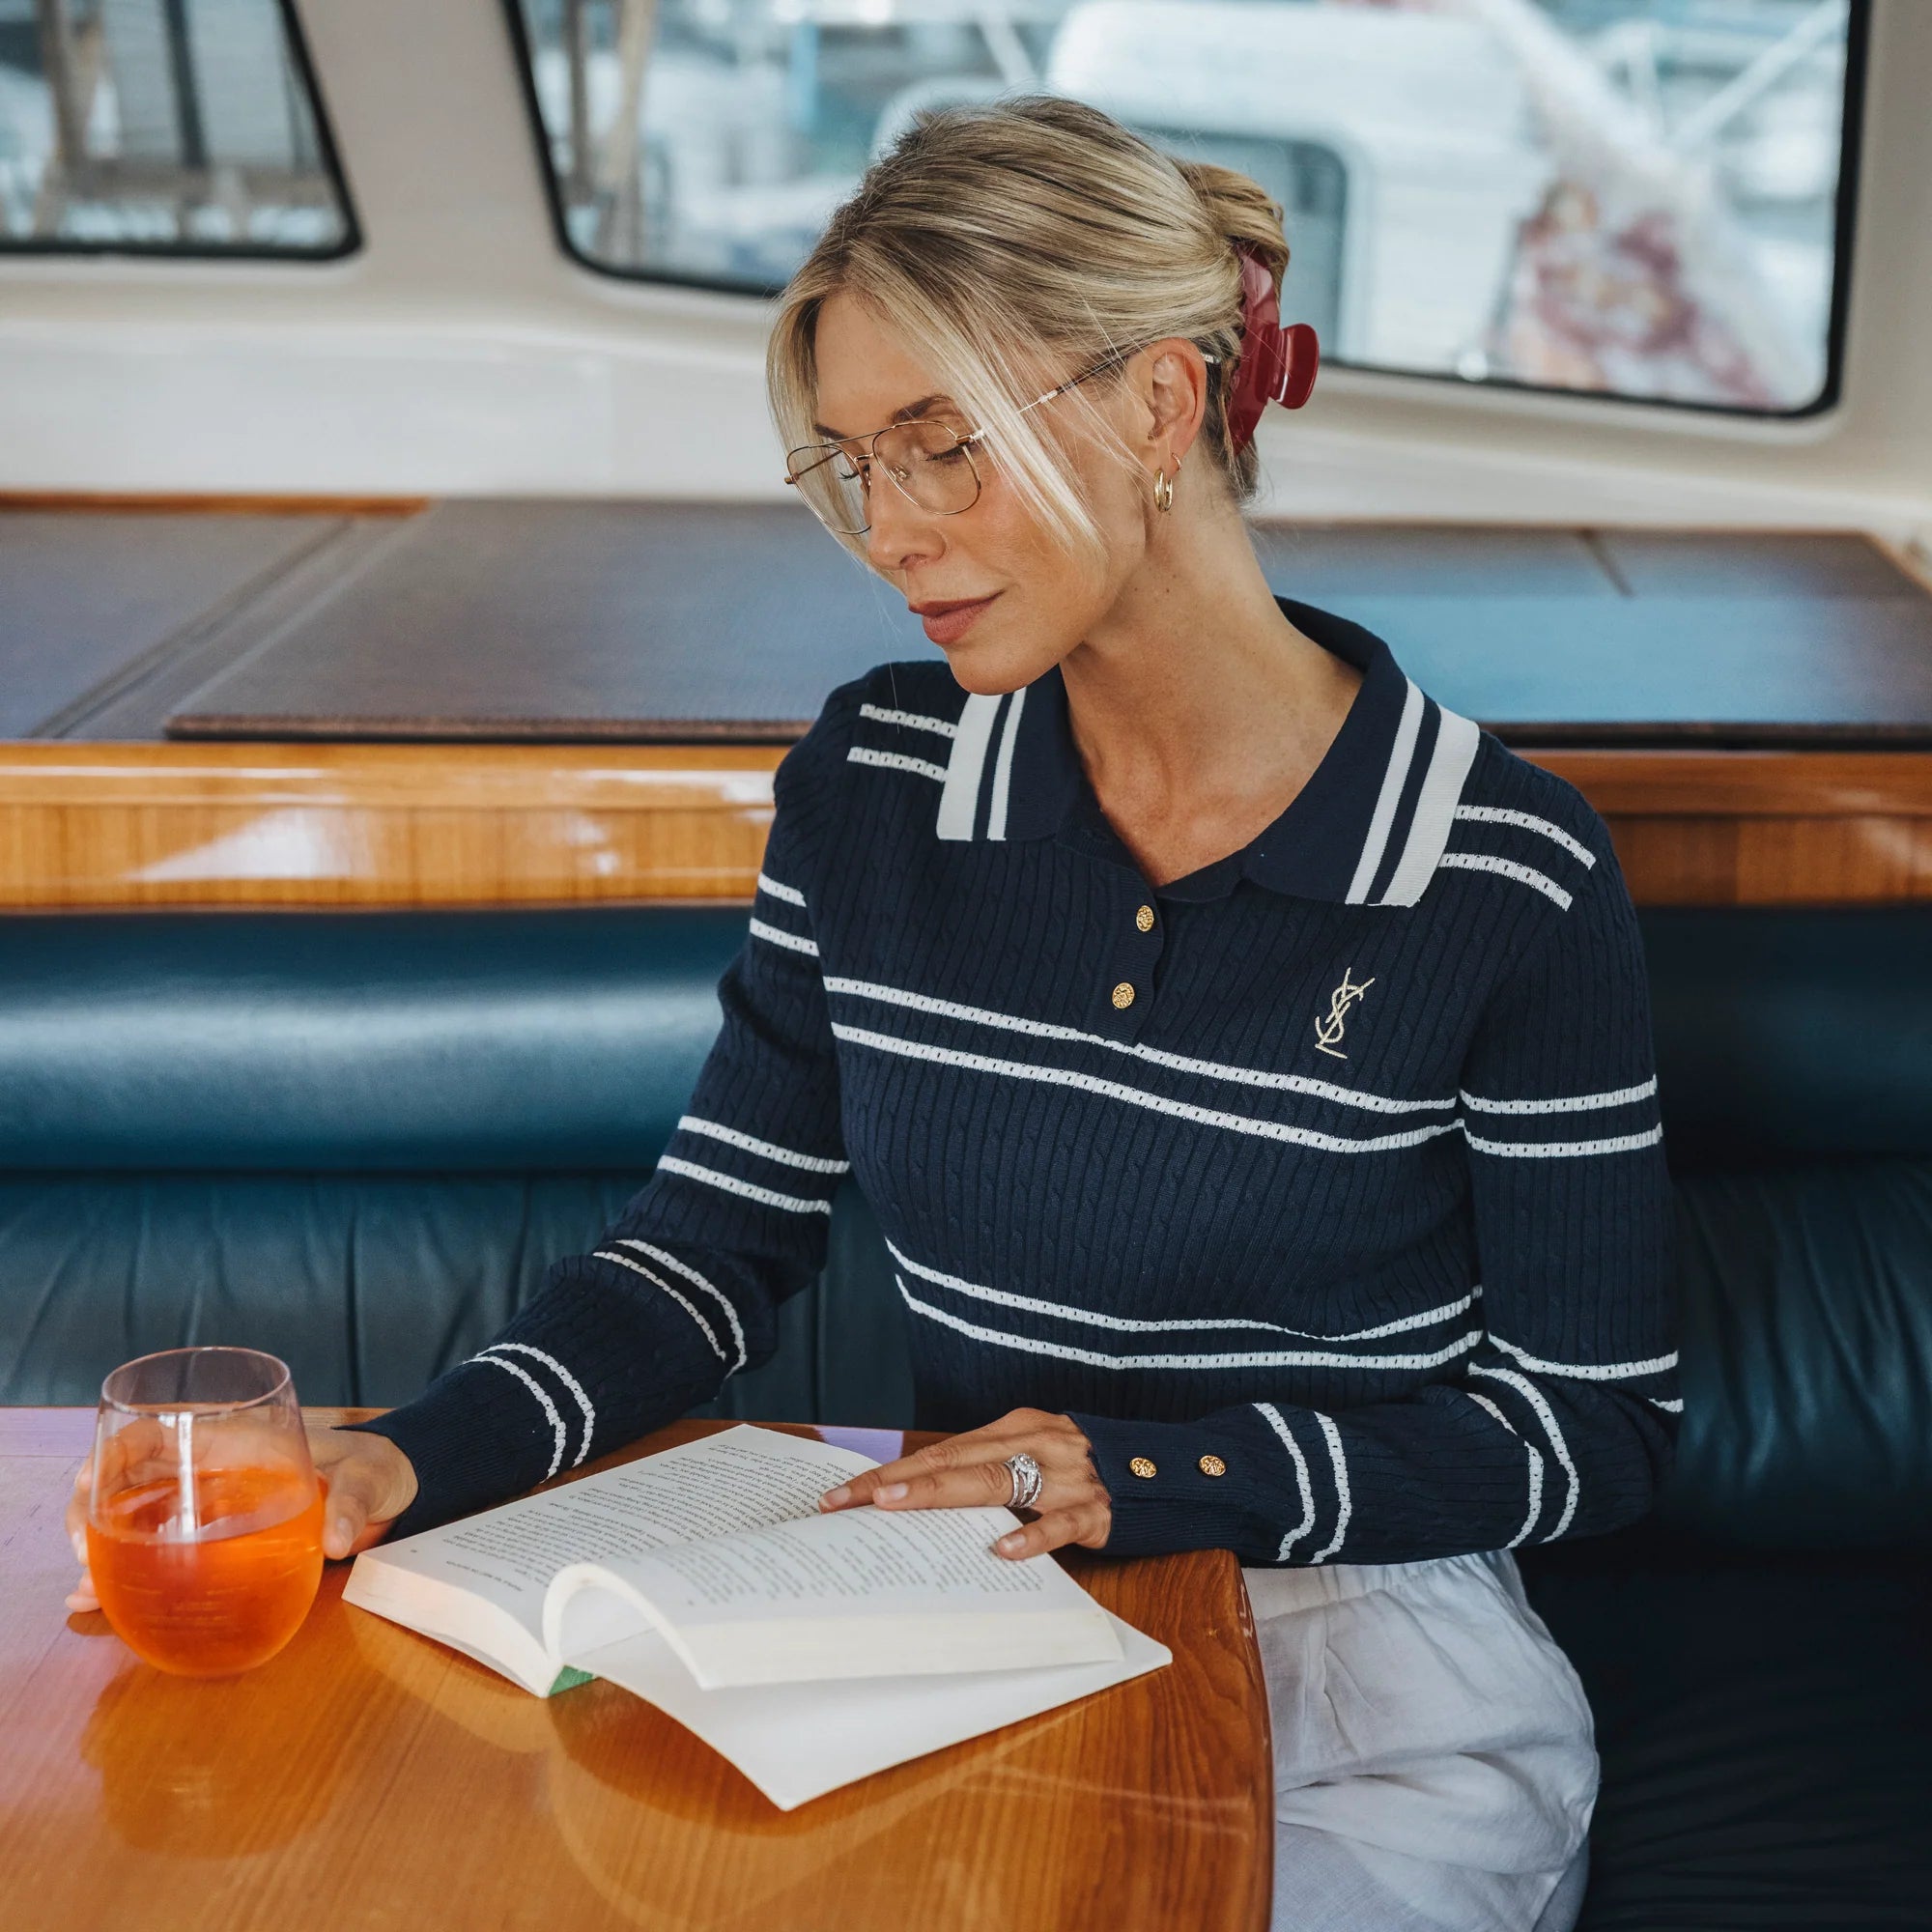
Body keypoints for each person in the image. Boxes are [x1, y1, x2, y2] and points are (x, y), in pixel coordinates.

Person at [68, 94, 1676, 1932]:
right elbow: (709, 1248)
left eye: (941, 447)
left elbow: (1589, 1435)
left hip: (1359, 1657)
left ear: (1163, 401)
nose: (894, 530)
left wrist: (1149, 1474)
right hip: (959, 1621)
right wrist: (412, 1452)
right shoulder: (878, 774)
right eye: (850, 464)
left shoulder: (1503, 870)